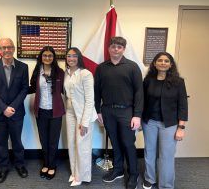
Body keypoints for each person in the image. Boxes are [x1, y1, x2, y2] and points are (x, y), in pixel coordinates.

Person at [94, 37, 143, 189]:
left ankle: (133, 174)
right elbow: (97, 91)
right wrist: (98, 110)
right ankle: (118, 169)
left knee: (128, 143)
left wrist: (137, 114)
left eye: (119, 47)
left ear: (124, 49)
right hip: (107, 111)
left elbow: (139, 92)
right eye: (113, 46)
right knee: (114, 143)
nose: (116, 49)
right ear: (109, 48)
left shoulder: (132, 67)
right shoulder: (101, 68)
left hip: (127, 111)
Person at [142, 52, 188, 189]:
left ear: (171, 64)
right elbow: (142, 101)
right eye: (160, 60)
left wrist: (181, 127)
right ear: (155, 63)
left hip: (169, 124)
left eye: (166, 61)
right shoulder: (148, 80)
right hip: (149, 122)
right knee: (149, 152)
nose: (163, 63)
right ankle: (149, 178)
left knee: (166, 156)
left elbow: (183, 106)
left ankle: (166, 185)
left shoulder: (179, 82)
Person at [0, 38, 29, 183]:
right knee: (1, 142)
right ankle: (3, 167)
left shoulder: (23, 67)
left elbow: (24, 89)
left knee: (17, 141)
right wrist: (3, 108)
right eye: (3, 47)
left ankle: (20, 164)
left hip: (17, 113)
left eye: (9, 47)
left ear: (14, 49)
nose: (7, 50)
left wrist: (12, 107)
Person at [29, 46, 65, 180]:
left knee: (53, 140)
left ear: (53, 57)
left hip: (56, 111)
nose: (47, 58)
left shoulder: (60, 72)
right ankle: (46, 163)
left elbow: (66, 90)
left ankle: (52, 165)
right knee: (44, 139)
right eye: (45, 56)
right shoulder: (37, 71)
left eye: (50, 56)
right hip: (41, 110)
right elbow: (32, 88)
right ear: (41, 57)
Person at [64, 47, 98, 187]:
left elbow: (90, 100)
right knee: (72, 143)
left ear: (79, 58)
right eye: (68, 56)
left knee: (82, 145)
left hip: (84, 114)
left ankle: (82, 176)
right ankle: (74, 172)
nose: (71, 59)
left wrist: (84, 122)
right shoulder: (66, 73)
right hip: (70, 112)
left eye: (74, 56)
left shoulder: (86, 74)